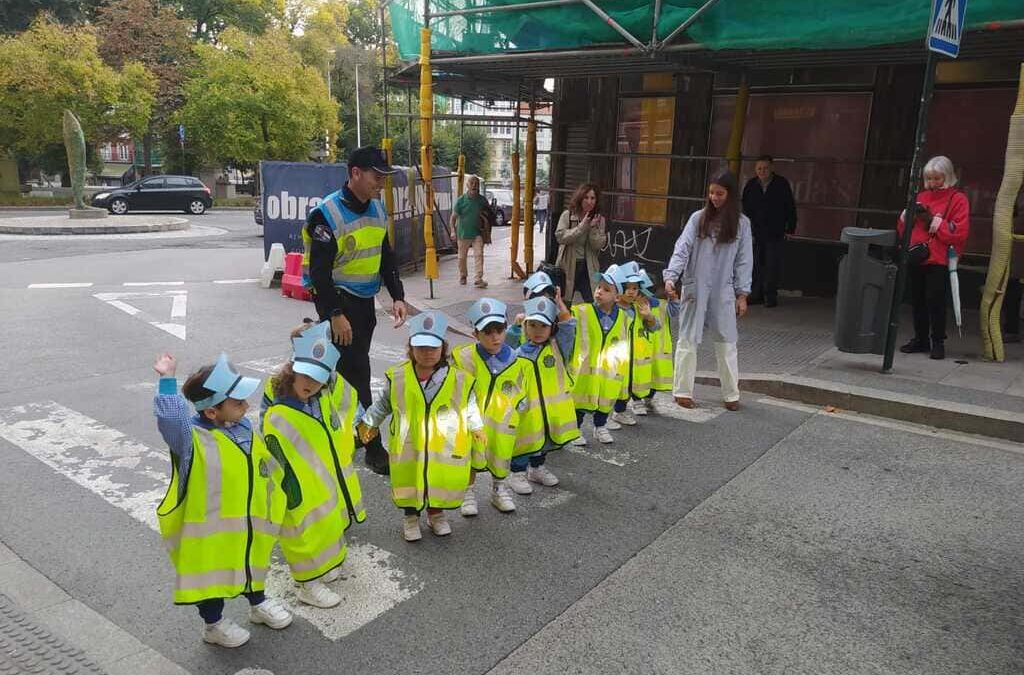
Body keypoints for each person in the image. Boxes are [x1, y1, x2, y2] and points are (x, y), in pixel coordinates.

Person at [153, 353, 292, 649]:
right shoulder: (191, 440)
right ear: (212, 412)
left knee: (252, 563)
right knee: (211, 579)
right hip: (208, 535)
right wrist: (167, 379)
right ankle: (213, 624)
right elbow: (170, 421)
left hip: (248, 525)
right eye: (238, 403)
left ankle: (258, 603)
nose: (246, 406)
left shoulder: (242, 428)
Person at [303, 146, 408, 476]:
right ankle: (373, 447)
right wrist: (334, 314)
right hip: (339, 304)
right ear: (355, 173)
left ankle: (340, 436)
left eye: (384, 178)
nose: (381, 184)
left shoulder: (377, 209)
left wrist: (398, 295)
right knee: (357, 375)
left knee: (344, 375)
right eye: (377, 177)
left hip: (364, 305)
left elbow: (385, 255)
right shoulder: (327, 214)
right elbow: (319, 274)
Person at [262, 321, 366, 609]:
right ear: (292, 368)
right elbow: (269, 441)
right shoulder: (279, 407)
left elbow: (344, 412)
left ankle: (323, 568)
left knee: (325, 524)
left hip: (321, 476)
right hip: (295, 482)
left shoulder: (322, 395)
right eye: (306, 376)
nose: (311, 384)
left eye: (319, 379)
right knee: (301, 532)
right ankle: (307, 584)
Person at [358, 311, 486, 542]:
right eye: (421, 348)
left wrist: (476, 427)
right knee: (410, 482)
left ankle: (436, 515)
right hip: (409, 445)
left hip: (441, 446)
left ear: (442, 349)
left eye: (433, 348)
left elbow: (470, 406)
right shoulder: (399, 377)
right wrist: (369, 423)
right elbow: (383, 404)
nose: (427, 353)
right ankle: (410, 518)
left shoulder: (458, 379)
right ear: (411, 349)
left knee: (436, 480)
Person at [664, 171, 753, 411]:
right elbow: (682, 248)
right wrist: (671, 277)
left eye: (720, 193)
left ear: (731, 195)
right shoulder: (698, 219)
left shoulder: (742, 225)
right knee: (687, 338)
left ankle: (731, 394)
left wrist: (742, 294)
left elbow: (744, 261)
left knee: (726, 341)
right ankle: (682, 391)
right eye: (712, 192)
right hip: (695, 287)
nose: (714, 197)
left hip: (724, 290)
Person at [452, 298, 530, 513]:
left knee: (501, 453)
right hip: (472, 421)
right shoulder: (464, 357)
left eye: (499, 330)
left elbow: (522, 385)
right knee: (471, 456)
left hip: (502, 420)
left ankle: (498, 489)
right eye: (487, 332)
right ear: (475, 334)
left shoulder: (516, 359)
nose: (495, 337)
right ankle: (468, 492)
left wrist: (520, 404)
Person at [505, 293, 580, 494]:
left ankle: (537, 468)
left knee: (545, 441)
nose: (538, 331)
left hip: (550, 409)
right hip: (527, 412)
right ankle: (517, 473)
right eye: (532, 325)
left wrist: (560, 306)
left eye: (543, 326)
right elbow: (506, 347)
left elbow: (569, 328)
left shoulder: (558, 348)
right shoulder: (519, 352)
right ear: (525, 327)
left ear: (552, 328)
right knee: (524, 442)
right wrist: (514, 327)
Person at [897, 155, 970, 361]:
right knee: (917, 300)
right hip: (918, 254)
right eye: (929, 178)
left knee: (935, 301)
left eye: (937, 178)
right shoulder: (921, 196)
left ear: (947, 176)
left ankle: (938, 342)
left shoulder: (958, 199)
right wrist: (907, 216)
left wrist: (933, 221)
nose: (932, 183)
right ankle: (921, 339)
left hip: (939, 258)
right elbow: (903, 228)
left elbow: (960, 232)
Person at [570, 264, 634, 444]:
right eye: (599, 287)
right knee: (581, 402)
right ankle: (576, 430)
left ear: (617, 297)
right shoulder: (582, 311)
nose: (599, 292)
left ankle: (600, 427)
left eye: (606, 290)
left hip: (609, 371)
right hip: (586, 371)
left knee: (605, 400)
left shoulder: (624, 318)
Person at [741, 155, 797, 308]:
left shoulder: (781, 184)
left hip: (775, 231)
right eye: (759, 168)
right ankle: (755, 293)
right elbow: (745, 208)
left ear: (772, 168)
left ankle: (770, 296)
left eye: (765, 168)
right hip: (756, 231)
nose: (762, 171)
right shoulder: (751, 185)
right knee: (755, 264)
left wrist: (790, 227)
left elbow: (790, 207)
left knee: (772, 264)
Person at [610, 265, 659, 427]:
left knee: (627, 387)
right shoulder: (613, 308)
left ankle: (619, 412)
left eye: (635, 288)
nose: (631, 291)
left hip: (632, 359)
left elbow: (654, 328)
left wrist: (649, 316)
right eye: (627, 287)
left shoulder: (639, 309)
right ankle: (602, 420)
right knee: (611, 388)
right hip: (615, 357)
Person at [555, 183, 608, 303]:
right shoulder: (568, 216)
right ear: (580, 198)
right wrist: (581, 227)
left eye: (593, 198)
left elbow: (598, 245)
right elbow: (560, 237)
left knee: (593, 301)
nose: (589, 201)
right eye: (586, 197)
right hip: (568, 265)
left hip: (588, 267)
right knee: (564, 301)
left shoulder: (600, 220)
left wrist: (592, 229)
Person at [451, 175, 490, 288]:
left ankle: (478, 278)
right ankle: (463, 275)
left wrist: (487, 230)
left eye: (476, 183)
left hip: (477, 233)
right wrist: (453, 231)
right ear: (467, 185)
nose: (474, 185)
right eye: (472, 183)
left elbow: (489, 215)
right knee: (462, 257)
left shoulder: (482, 200)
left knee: (479, 255)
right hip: (463, 233)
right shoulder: (461, 200)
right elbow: (453, 217)